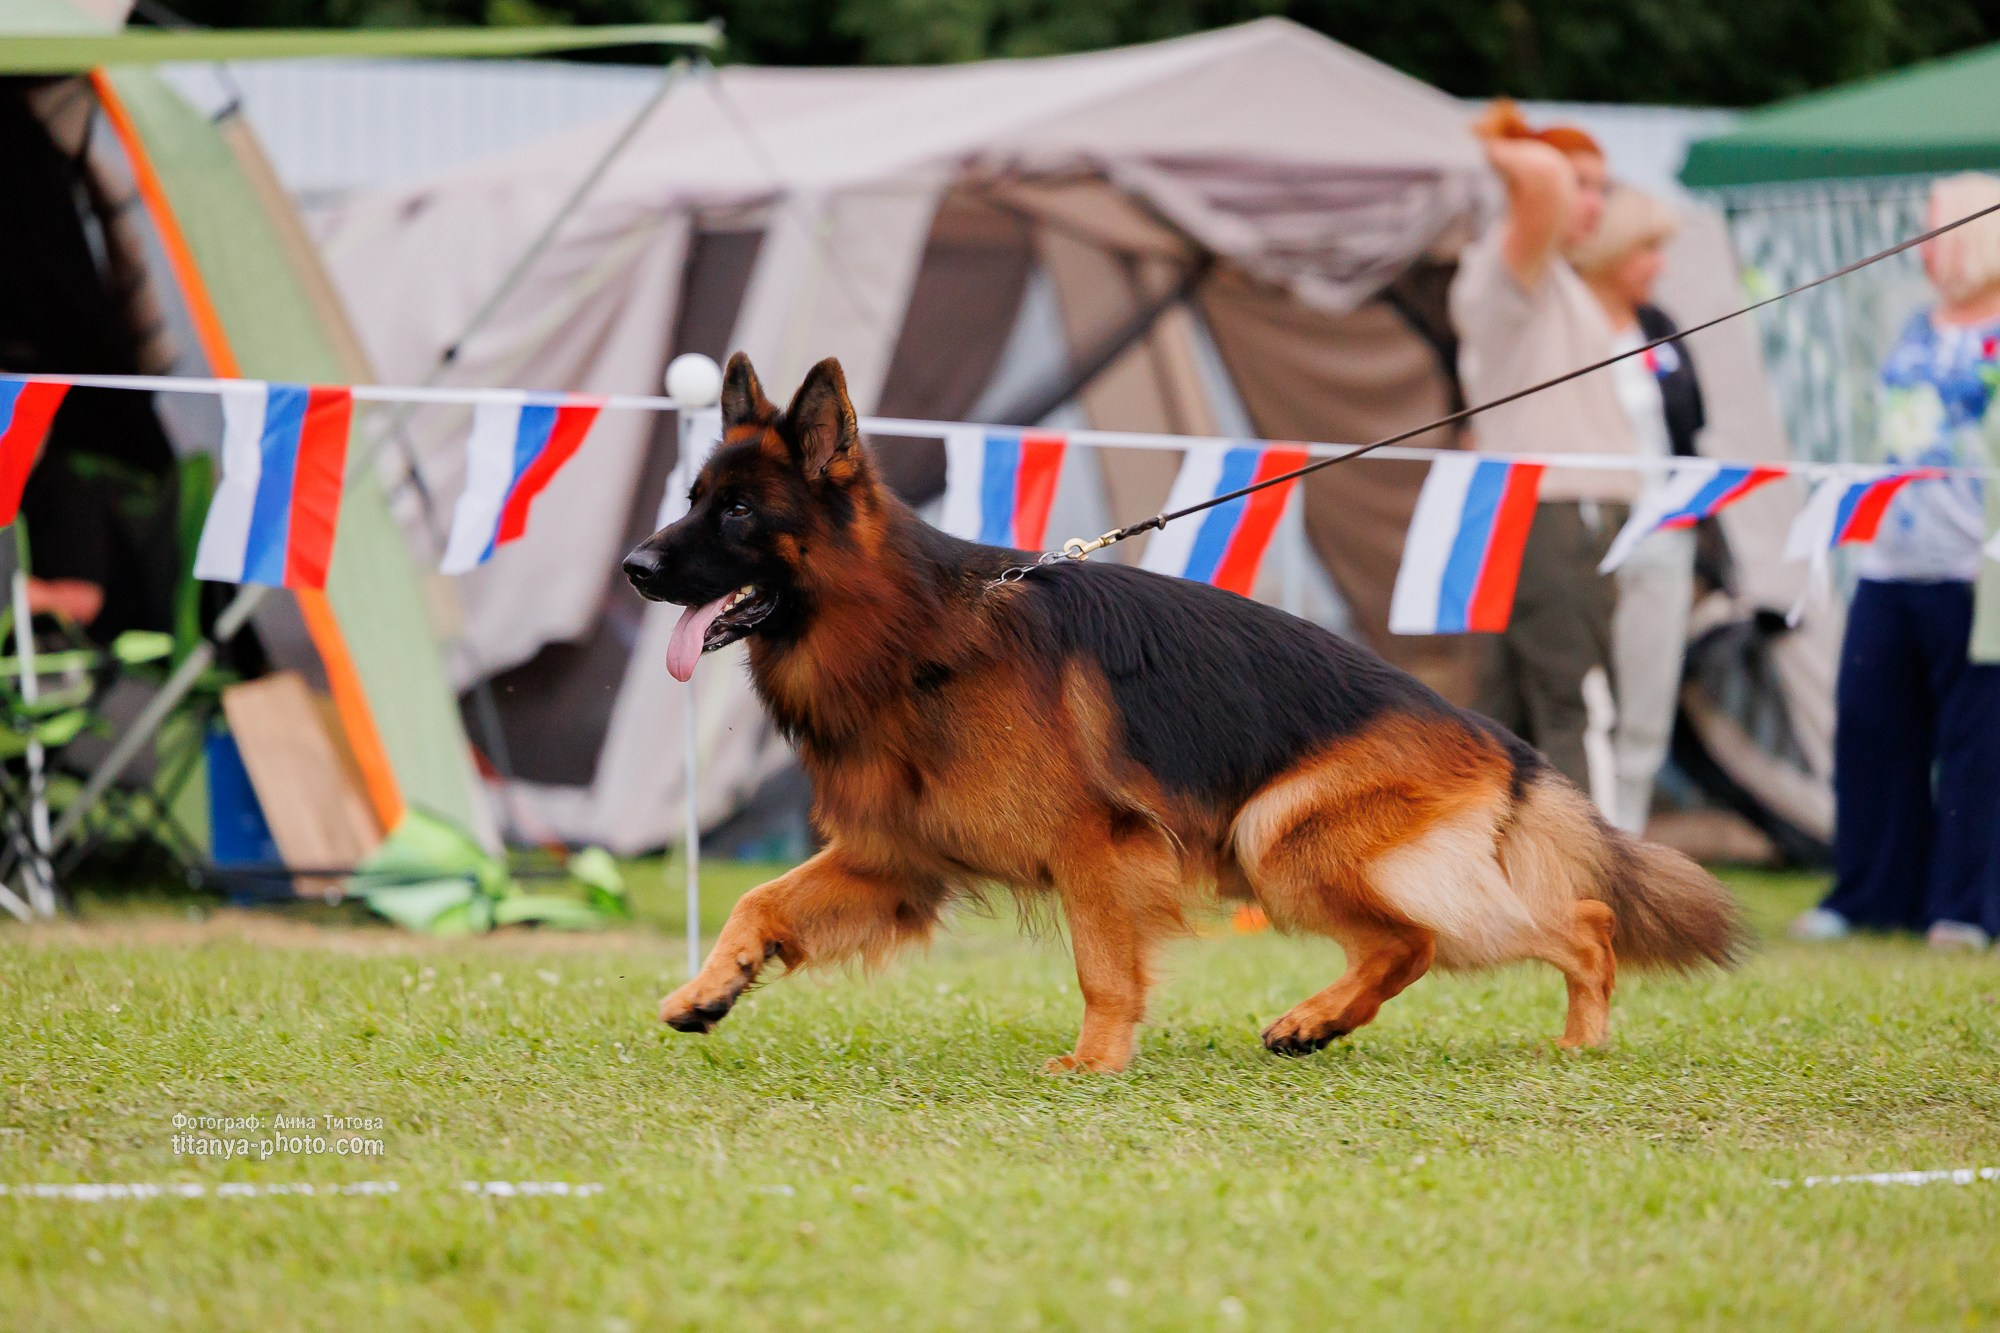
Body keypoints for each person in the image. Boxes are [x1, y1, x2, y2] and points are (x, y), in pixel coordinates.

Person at [1793, 173, 2000, 951]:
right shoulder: (1911, 323)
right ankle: (1869, 895)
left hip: (1978, 567)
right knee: (1872, 728)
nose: (1922, 249)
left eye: (1935, 232)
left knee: (1977, 743)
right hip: (1888, 562)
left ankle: (1965, 906)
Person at [1450, 101, 1638, 801]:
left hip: (1532, 508)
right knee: (1574, 705)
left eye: (1602, 188)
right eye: (1579, 184)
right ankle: (1595, 863)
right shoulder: (1511, 267)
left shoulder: (1550, 277)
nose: (1592, 203)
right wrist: (1502, 140)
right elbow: (1541, 181)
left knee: (1505, 717)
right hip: (1552, 512)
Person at [1568, 186, 1708, 834]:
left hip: (1664, 537)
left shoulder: (1659, 326)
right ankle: (1582, 838)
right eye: (1647, 248)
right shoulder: (1566, 323)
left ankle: (1629, 841)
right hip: (1585, 537)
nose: (1659, 264)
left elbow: (1689, 428)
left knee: (1647, 705)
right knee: (1585, 703)